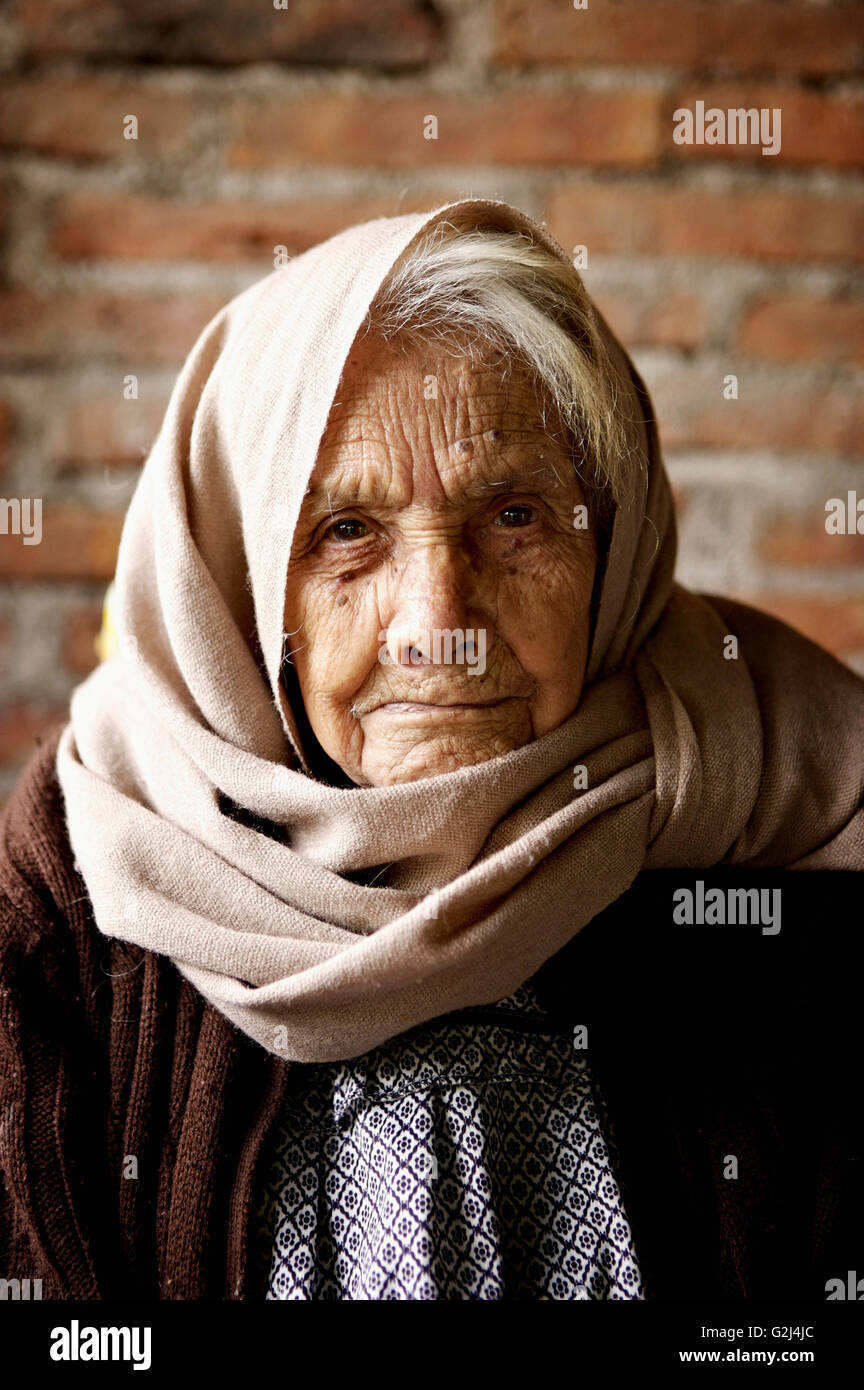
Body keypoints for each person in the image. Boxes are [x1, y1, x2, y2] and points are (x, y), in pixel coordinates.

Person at [1, 199, 862, 1301]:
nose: (436, 621)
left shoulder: (780, 819)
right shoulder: (81, 886)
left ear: (615, 538)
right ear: (243, 580)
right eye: (347, 531)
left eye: (513, 516)